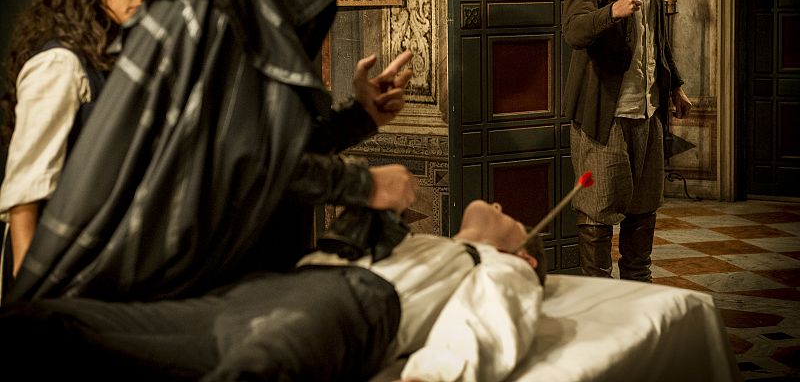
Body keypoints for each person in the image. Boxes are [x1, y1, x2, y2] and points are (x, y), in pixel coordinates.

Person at [7, 0, 415, 303]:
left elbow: (265, 147)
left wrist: (361, 116)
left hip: (204, 274)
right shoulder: (217, 2)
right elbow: (244, 164)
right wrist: (365, 185)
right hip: (153, 287)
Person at [0, 200, 545, 382]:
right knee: (53, 323)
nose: (497, 204)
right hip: (261, 294)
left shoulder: (499, 267)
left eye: (511, 216)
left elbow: (482, 331)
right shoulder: (424, 242)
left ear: (524, 253)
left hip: (338, 308)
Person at [0, 0, 152, 294]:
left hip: (93, 253)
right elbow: (27, 185)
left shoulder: (108, 56)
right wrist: (28, 283)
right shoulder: (59, 64)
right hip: (49, 255)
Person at [562, 0, 692, 282]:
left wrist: (674, 85)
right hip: (604, 114)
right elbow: (574, 30)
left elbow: (656, 39)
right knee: (598, 207)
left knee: (643, 207)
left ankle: (639, 293)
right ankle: (599, 298)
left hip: (647, 110)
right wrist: (613, 11)